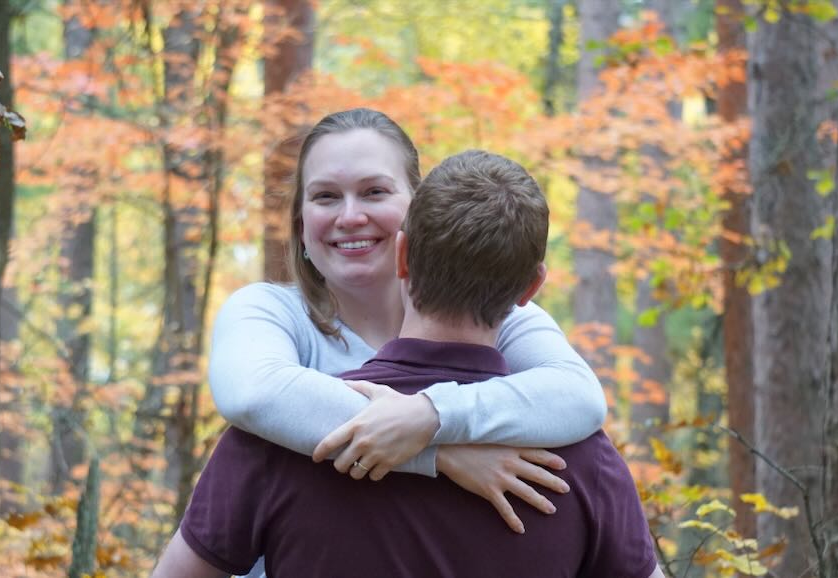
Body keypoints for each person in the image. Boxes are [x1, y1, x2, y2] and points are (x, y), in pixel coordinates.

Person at [153, 149, 662, 577]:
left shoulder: (274, 444)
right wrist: (439, 452)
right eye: (328, 195)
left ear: (402, 256)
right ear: (532, 288)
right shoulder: (580, 459)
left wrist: (430, 426)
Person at [205, 109, 608, 532]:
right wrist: (441, 455)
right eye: (325, 197)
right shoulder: (267, 312)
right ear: (300, 222)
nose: (349, 216)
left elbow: (578, 397)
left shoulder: (493, 315)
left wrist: (431, 416)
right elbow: (254, 395)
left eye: (374, 191)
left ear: (417, 205)